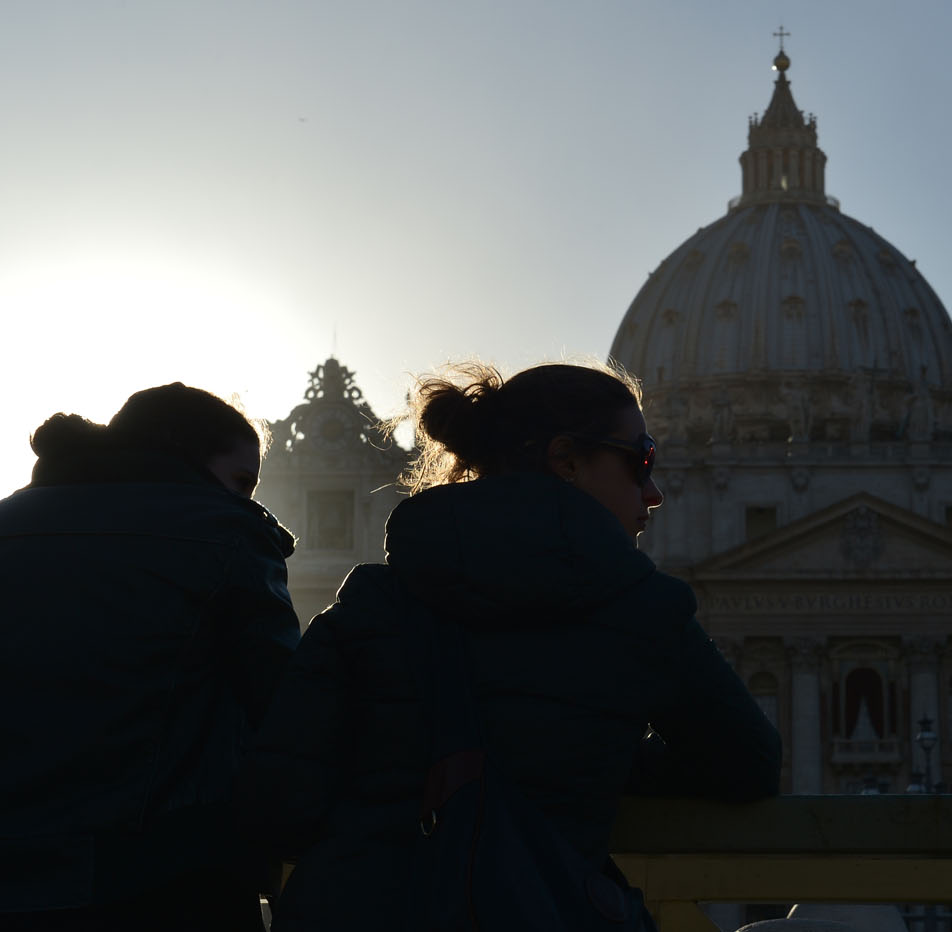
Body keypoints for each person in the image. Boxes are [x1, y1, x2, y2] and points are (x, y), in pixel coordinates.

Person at [238, 361, 782, 930]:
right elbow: (749, 765)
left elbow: (278, 801)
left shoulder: (371, 602)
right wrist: (597, 755)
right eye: (641, 458)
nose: (654, 490)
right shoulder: (642, 608)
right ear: (567, 460)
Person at [0, 383, 299, 931]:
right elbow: (287, 711)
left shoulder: (10, 521)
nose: (245, 500)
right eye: (241, 481)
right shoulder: (226, 531)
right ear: (188, 458)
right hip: (164, 879)